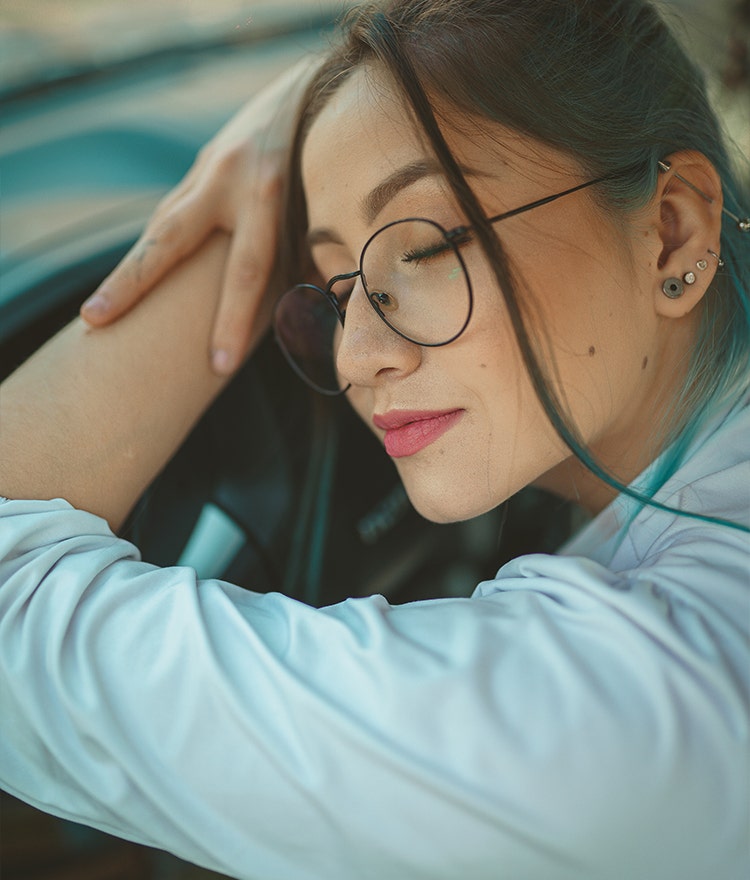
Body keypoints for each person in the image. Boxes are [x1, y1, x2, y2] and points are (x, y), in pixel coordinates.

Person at [1, 1, 748, 878]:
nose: (355, 356)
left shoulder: (632, 711)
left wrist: (259, 154)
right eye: (332, 282)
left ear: (671, 233)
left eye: (426, 247)